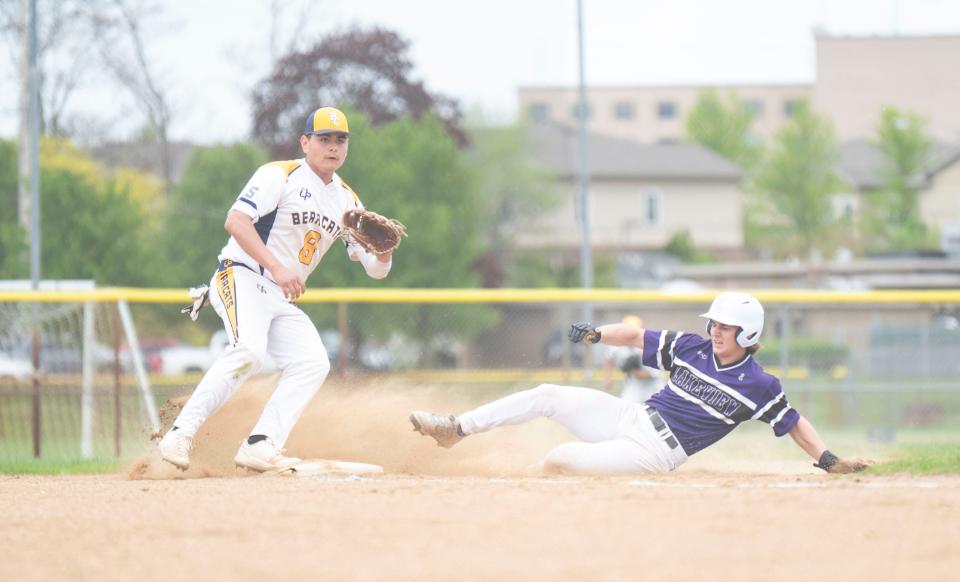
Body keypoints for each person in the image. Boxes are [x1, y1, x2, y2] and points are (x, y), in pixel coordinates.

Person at [160, 107, 394, 472]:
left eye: (340, 140)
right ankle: (179, 434)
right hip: (240, 275)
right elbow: (235, 221)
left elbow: (375, 270)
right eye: (324, 139)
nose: (333, 147)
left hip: (279, 294)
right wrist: (276, 266)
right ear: (305, 142)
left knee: (313, 363)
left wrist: (384, 252)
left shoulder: (348, 201)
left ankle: (260, 443)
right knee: (249, 351)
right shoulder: (279, 175)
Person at [410, 292, 868, 475]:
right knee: (547, 394)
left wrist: (828, 460)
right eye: (714, 323)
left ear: (748, 335)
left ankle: (524, 490)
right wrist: (596, 333)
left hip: (654, 452)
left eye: (725, 327)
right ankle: (456, 429)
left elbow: (793, 423)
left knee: (561, 459)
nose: (715, 331)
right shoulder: (693, 346)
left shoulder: (758, 384)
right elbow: (633, 335)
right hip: (633, 416)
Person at [603, 315, 665, 404]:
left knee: (654, 412)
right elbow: (608, 358)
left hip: (654, 387)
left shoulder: (651, 347)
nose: (629, 334)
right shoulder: (617, 347)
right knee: (626, 408)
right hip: (633, 384)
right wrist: (607, 378)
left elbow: (649, 375)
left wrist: (631, 370)